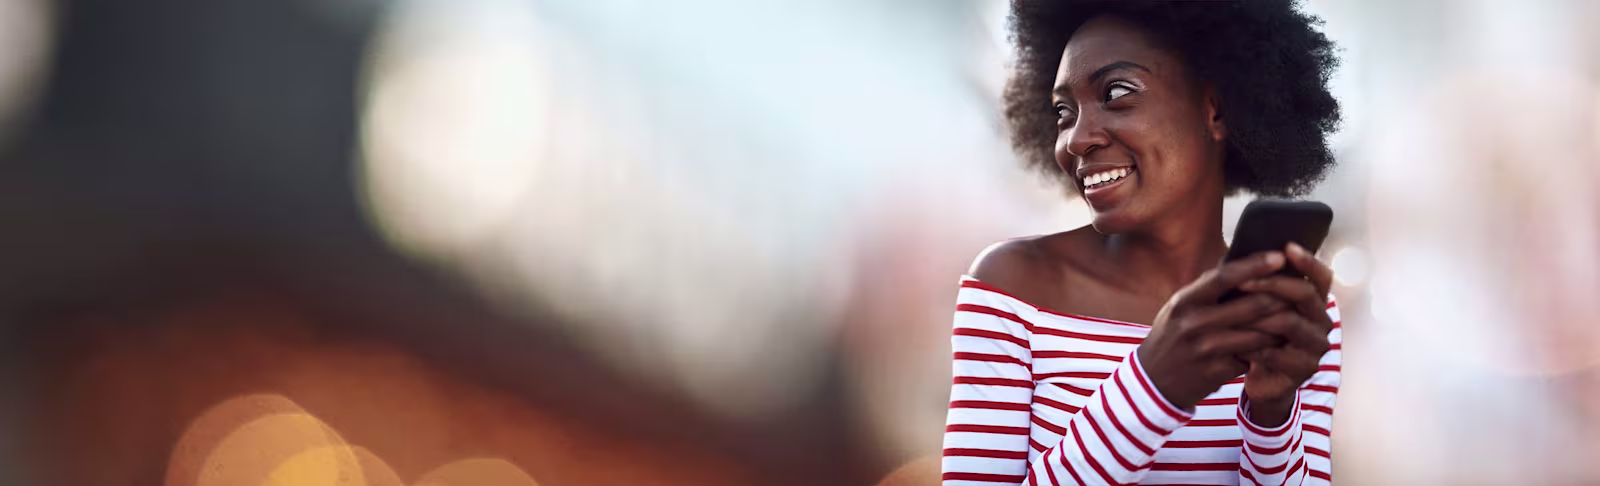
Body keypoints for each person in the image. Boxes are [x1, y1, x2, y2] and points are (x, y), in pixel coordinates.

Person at [941, 1, 1343, 485]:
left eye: (1116, 92)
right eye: (1063, 113)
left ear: (1214, 109)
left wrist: (1272, 414)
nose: (1075, 139)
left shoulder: (1292, 312)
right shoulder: (1011, 288)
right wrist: (1153, 384)